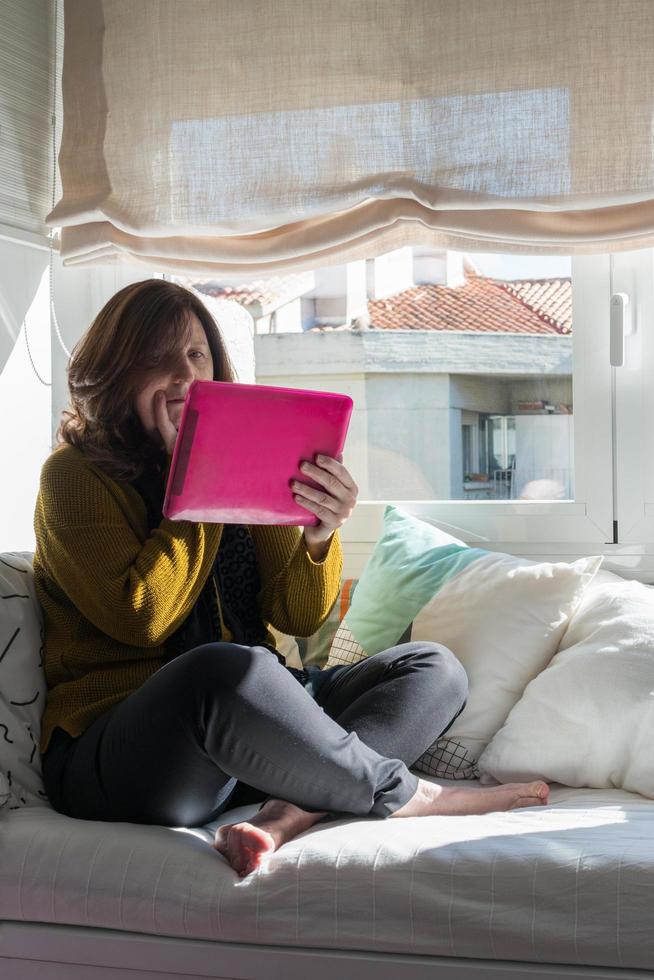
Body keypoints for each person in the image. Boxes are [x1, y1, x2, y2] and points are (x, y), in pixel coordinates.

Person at [35, 279, 549, 879]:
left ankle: (287, 814)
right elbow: (141, 620)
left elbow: (298, 617)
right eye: (158, 357)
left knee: (434, 669)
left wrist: (319, 534)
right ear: (117, 371)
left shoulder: (250, 457)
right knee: (227, 667)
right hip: (133, 752)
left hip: (249, 745)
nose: (184, 374)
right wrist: (196, 487)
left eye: (197, 355)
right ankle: (406, 794)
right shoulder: (72, 478)